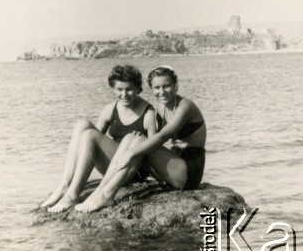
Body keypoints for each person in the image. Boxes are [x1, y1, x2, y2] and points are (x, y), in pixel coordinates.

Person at [75, 65, 206, 213]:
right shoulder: (161, 107)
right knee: (134, 138)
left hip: (188, 171)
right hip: (172, 167)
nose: (162, 91)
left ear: (176, 85)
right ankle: (101, 192)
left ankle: (107, 194)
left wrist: (130, 153)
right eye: (157, 88)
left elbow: (162, 137)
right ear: (151, 89)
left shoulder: (185, 106)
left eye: (167, 86)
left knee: (138, 142)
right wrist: (133, 143)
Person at [40, 65, 157, 213]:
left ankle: (73, 195)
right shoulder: (110, 109)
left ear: (138, 88)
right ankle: (64, 185)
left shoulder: (148, 112)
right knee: (82, 125)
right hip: (113, 165)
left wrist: (142, 141)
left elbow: (154, 150)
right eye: (119, 89)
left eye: (129, 89)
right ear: (113, 89)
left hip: (132, 170)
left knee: (90, 135)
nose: (124, 94)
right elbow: (89, 142)